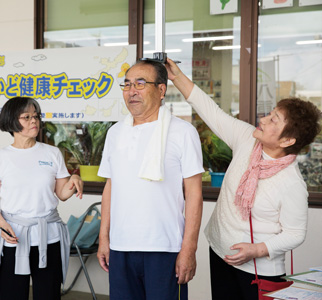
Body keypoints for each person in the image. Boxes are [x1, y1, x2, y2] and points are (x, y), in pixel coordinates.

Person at [165, 58, 321, 300]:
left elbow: (295, 233)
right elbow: (211, 111)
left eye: (273, 121)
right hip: (220, 252)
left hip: (259, 270)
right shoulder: (247, 139)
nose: (263, 120)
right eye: (270, 114)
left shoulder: (291, 183)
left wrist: (256, 250)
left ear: (287, 141)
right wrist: (176, 77)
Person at [97, 59, 204, 300]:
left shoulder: (183, 132)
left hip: (165, 248)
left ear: (161, 89)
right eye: (127, 84)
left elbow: (194, 194)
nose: (131, 91)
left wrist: (189, 248)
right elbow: (110, 187)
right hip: (121, 247)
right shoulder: (115, 133)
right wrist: (104, 239)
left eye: (140, 83)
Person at [0, 96, 84, 300]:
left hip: (49, 236)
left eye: (36, 116)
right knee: (13, 295)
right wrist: (3, 225)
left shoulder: (52, 153)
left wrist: (74, 179)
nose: (34, 121)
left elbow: (63, 194)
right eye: (27, 117)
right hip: (14, 236)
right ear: (12, 121)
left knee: (48, 295)